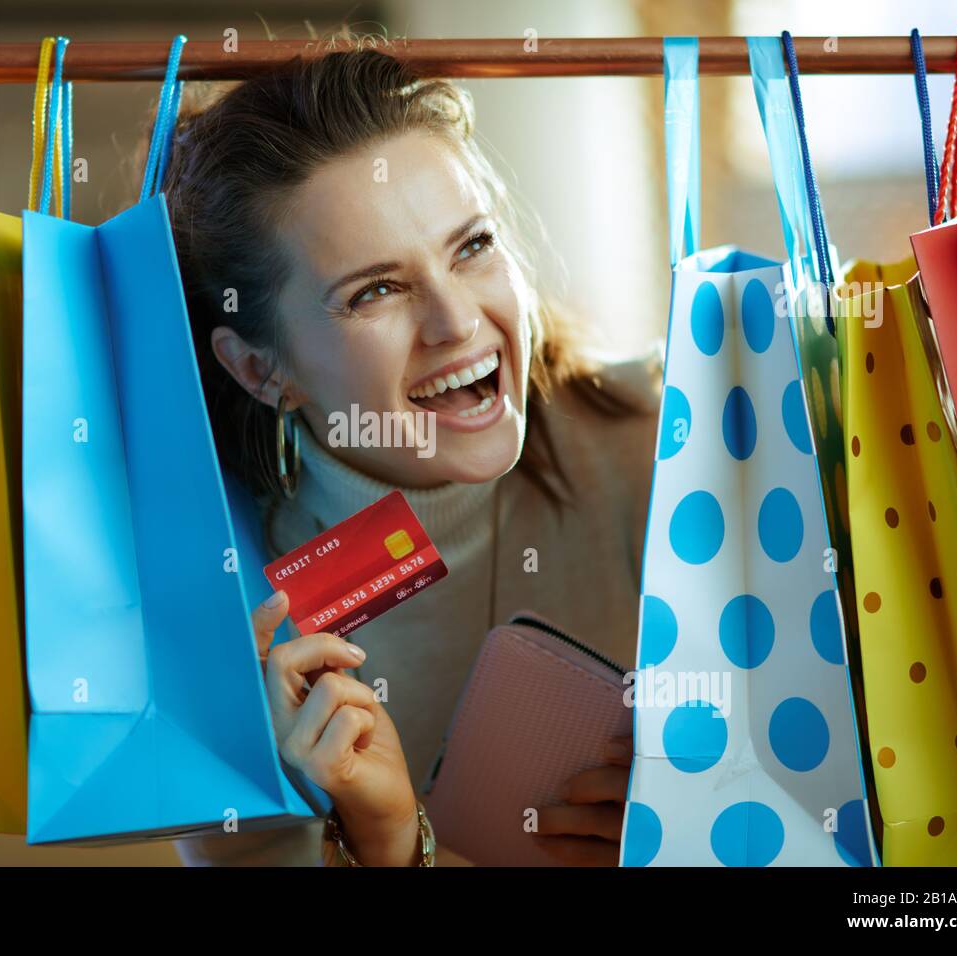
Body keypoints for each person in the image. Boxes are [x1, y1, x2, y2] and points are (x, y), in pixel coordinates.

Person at [161, 38, 661, 866]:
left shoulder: (679, 446)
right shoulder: (226, 624)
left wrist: (704, 831)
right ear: (259, 367)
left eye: (472, 246)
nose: (458, 321)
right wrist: (392, 845)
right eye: (377, 291)